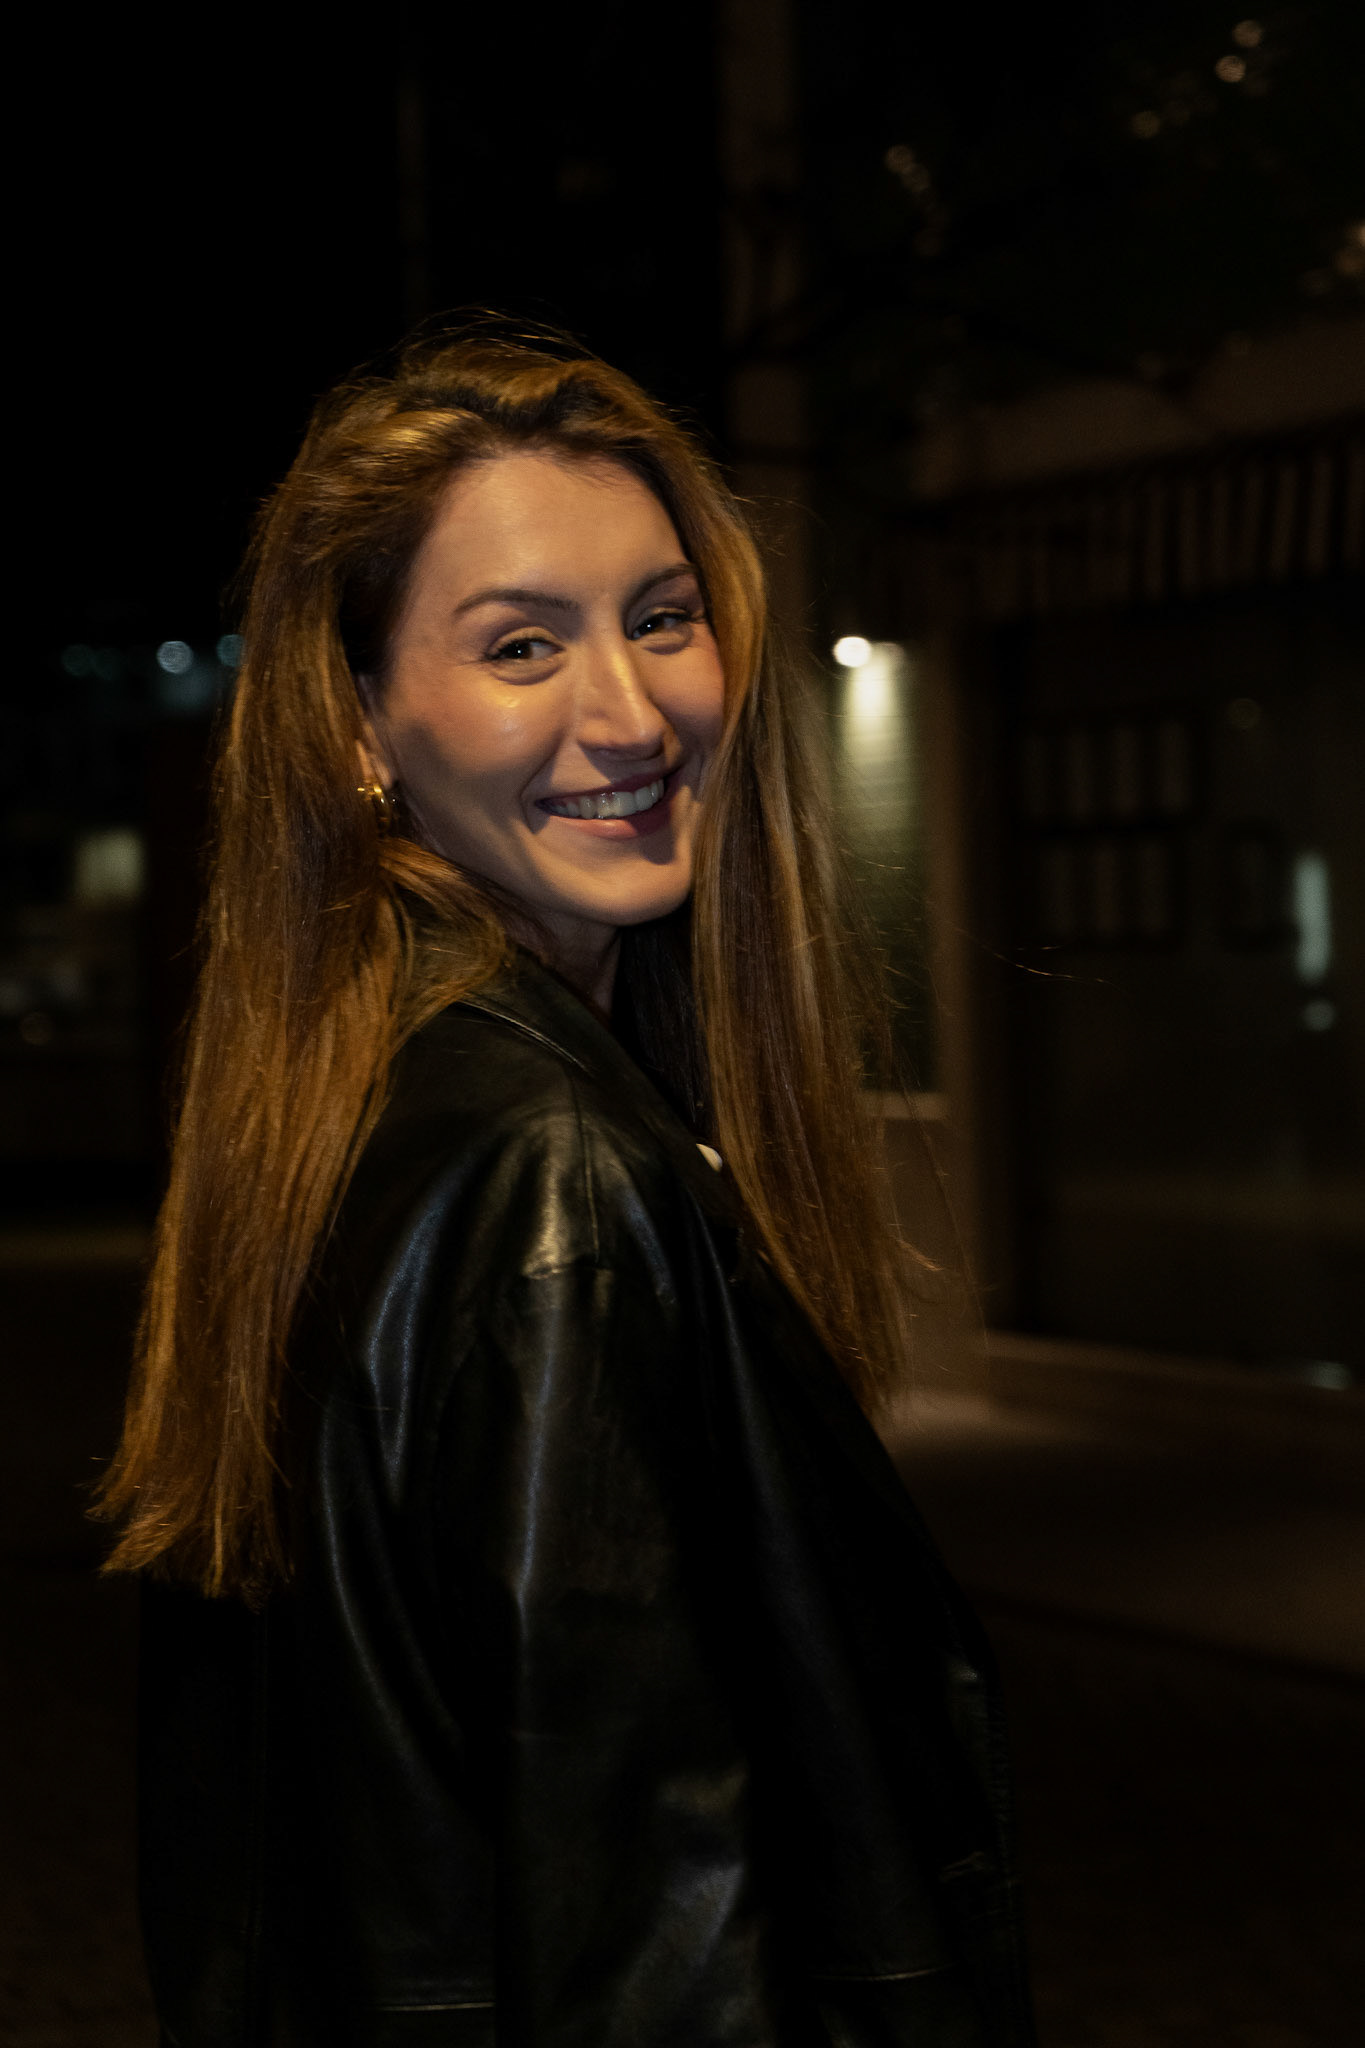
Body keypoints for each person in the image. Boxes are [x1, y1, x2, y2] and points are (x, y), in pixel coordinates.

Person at [98, 325, 1036, 2047]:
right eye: (521, 645)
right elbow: (654, 1947)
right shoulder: (553, 1186)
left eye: (660, 618)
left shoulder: (341, 1109)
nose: (630, 712)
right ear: (359, 722)